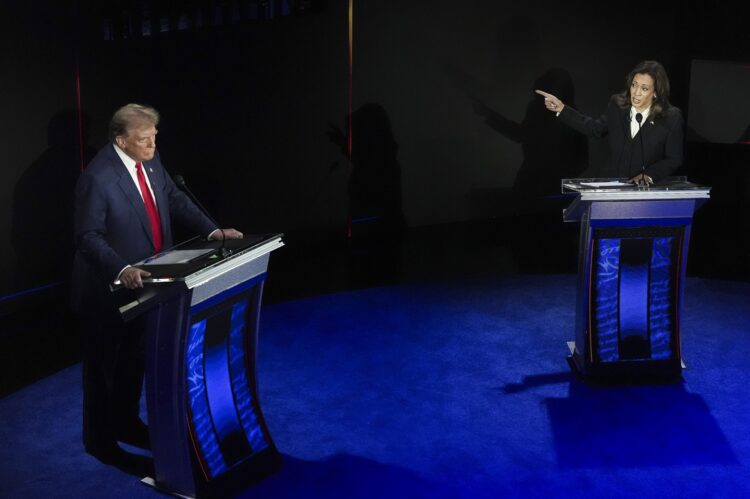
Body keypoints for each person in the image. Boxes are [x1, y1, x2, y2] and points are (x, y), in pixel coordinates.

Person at [70, 103, 242, 470]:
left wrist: (212, 230)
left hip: (149, 283)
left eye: (154, 136)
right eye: (144, 138)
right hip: (107, 290)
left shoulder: (151, 158)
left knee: (134, 361)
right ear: (121, 140)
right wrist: (122, 267)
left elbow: (173, 197)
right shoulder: (98, 178)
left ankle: (127, 423)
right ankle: (100, 442)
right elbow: (88, 236)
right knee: (103, 371)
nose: (152, 143)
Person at [536, 60, 684, 184]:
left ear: (656, 92)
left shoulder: (671, 117)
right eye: (634, 85)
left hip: (645, 192)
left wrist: (649, 175)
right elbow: (594, 129)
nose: (636, 92)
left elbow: (674, 158)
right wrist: (562, 108)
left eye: (644, 88)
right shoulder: (618, 105)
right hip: (612, 186)